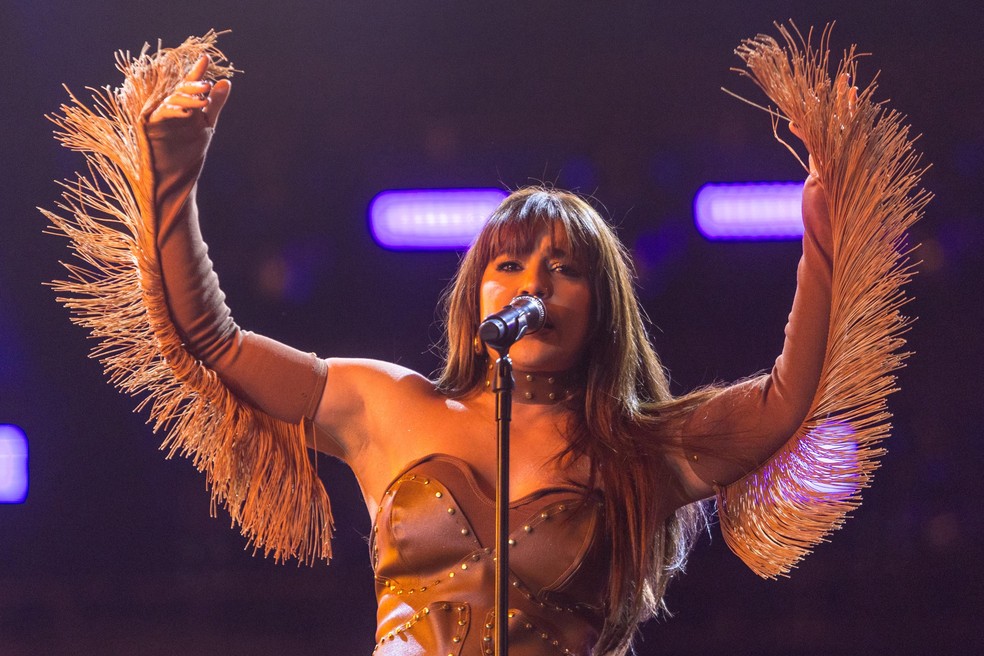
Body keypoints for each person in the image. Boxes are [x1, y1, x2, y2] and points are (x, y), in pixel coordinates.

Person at [47, 30, 924, 656]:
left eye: (564, 269)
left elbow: (784, 402)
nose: (533, 284)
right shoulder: (385, 405)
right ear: (475, 298)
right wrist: (173, 178)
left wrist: (826, 226)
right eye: (508, 264)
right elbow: (209, 341)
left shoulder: (642, 452)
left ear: (604, 307)